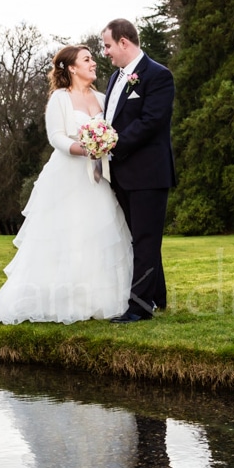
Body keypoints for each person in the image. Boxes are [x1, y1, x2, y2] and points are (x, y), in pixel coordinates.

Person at [0, 45, 133, 326]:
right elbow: (56, 137)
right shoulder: (60, 99)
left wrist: (102, 147)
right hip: (67, 175)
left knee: (96, 233)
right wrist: (85, 149)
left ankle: (97, 299)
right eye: (87, 59)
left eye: (93, 58)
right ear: (71, 67)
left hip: (97, 177)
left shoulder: (104, 99)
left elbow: (113, 133)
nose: (94, 63)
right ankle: (61, 299)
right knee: (67, 233)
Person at [101, 18, 177, 323]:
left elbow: (151, 122)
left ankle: (140, 308)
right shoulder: (113, 79)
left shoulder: (158, 75)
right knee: (140, 238)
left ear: (123, 42)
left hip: (149, 173)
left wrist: (111, 143)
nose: (105, 52)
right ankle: (158, 297)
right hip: (122, 174)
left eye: (107, 45)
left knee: (145, 241)